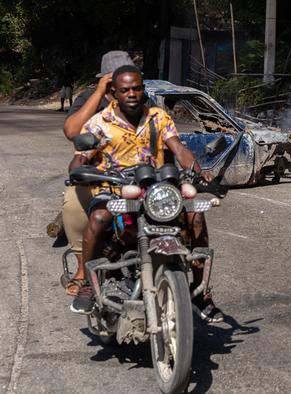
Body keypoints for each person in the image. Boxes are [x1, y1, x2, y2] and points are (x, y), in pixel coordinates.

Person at [67, 64, 223, 323]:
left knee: (195, 214)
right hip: (114, 189)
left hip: (156, 190)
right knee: (98, 219)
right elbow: (80, 157)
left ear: (143, 90)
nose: (132, 94)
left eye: (137, 88)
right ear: (113, 94)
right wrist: (78, 170)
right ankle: (87, 283)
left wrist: (198, 170)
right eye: (125, 89)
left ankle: (200, 293)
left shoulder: (158, 117)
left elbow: (179, 148)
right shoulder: (98, 123)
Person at [61, 51, 136, 299]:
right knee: (73, 201)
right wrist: (98, 93)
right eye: (114, 80)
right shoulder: (90, 99)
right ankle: (84, 270)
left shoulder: (139, 99)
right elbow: (72, 130)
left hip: (135, 175)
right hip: (97, 174)